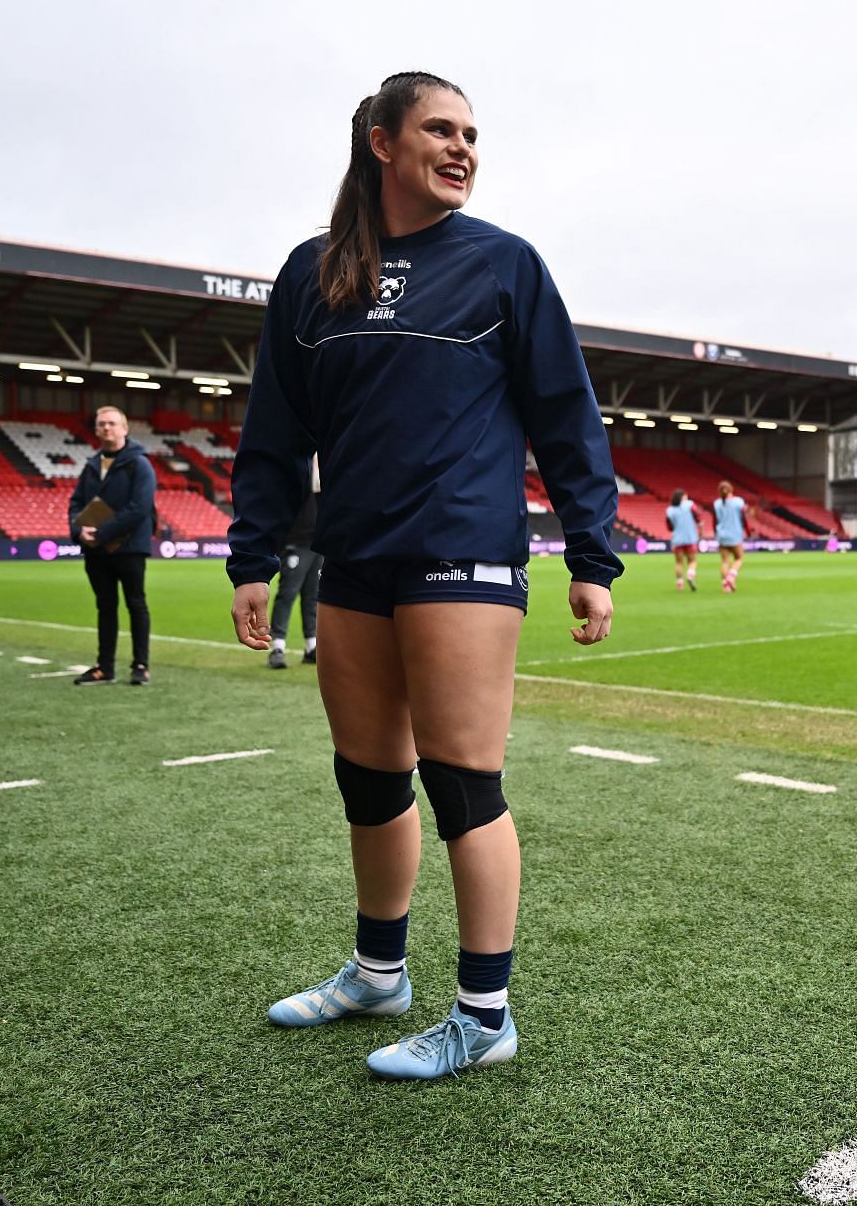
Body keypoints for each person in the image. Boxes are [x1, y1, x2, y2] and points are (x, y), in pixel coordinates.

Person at [226, 71, 621, 1081]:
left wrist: (592, 555)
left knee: (462, 780)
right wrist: (253, 558)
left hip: (464, 552)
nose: (463, 147)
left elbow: (566, 416)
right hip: (353, 558)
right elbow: (274, 431)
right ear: (380, 141)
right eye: (441, 129)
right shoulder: (312, 274)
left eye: (473, 133)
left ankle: (484, 1013)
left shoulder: (504, 265)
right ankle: (378, 970)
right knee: (368, 777)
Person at [67, 405, 156, 685]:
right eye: (101, 424)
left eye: (112, 423)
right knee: (105, 606)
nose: (107, 428)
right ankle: (104, 667)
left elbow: (139, 508)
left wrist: (103, 533)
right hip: (95, 549)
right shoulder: (92, 465)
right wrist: (79, 531)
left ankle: (140, 665)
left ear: (125, 429)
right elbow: (76, 503)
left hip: (129, 547)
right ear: (95, 429)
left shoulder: (139, 463)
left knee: (136, 604)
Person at [268, 473, 323, 669]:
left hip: (318, 542)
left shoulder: (325, 461)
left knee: (313, 597)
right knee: (287, 594)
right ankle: (277, 647)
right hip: (296, 541)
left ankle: (311, 646)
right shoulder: (302, 465)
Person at [713, 480, 746, 592]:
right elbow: (744, 516)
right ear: (731, 490)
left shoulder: (717, 503)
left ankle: (726, 586)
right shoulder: (738, 502)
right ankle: (731, 577)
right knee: (739, 558)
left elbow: (715, 520)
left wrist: (715, 533)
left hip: (722, 535)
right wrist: (747, 531)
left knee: (724, 561)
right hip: (735, 534)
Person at [664, 488, 700, 591]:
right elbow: (698, 517)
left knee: (679, 562)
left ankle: (679, 584)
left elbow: (669, 527)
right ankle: (690, 574)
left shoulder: (670, 510)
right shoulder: (690, 505)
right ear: (683, 497)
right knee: (692, 561)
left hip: (677, 539)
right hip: (690, 538)